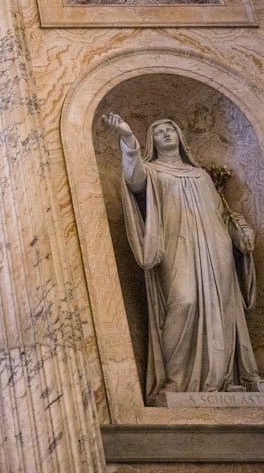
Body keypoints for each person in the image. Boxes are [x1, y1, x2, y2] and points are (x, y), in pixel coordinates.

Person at [106, 113, 263, 399]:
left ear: (180, 137)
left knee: (221, 307)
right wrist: (128, 139)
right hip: (176, 245)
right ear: (152, 141)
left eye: (170, 130)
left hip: (216, 246)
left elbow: (220, 213)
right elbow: (134, 179)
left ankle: (223, 376)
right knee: (184, 300)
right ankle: (177, 379)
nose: (166, 135)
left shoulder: (201, 175)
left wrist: (239, 232)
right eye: (158, 132)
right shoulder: (152, 171)